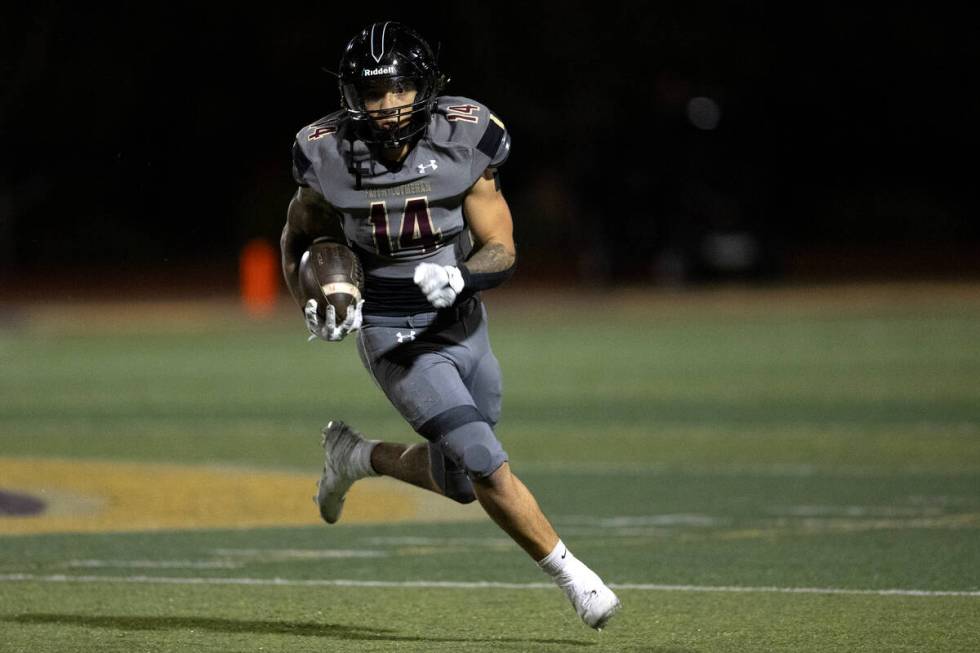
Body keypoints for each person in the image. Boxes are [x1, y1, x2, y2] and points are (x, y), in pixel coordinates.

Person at [281, 21, 620, 630]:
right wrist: (312, 299)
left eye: (399, 89)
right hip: (392, 329)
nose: (386, 106)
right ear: (351, 98)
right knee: (485, 460)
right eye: (371, 93)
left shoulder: (466, 135)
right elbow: (299, 237)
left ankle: (356, 457)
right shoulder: (325, 152)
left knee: (460, 480)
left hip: (463, 322)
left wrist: (464, 275)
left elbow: (503, 248)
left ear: (425, 88)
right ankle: (575, 576)